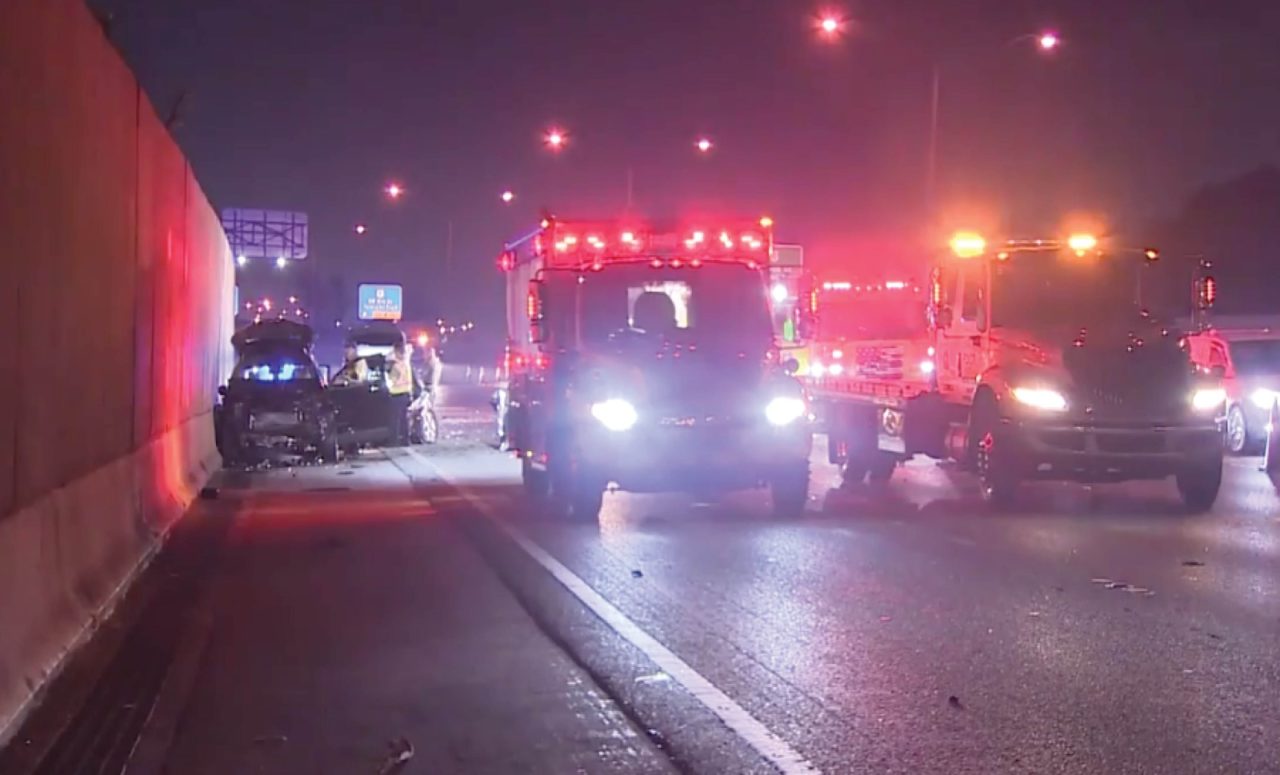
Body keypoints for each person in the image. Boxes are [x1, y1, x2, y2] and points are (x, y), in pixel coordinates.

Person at [386, 340, 414, 445]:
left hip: (396, 394)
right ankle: (406, 440)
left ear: (397, 351)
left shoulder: (396, 366)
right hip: (406, 394)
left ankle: (394, 441)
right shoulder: (406, 364)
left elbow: (391, 379)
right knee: (404, 420)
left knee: (395, 420)